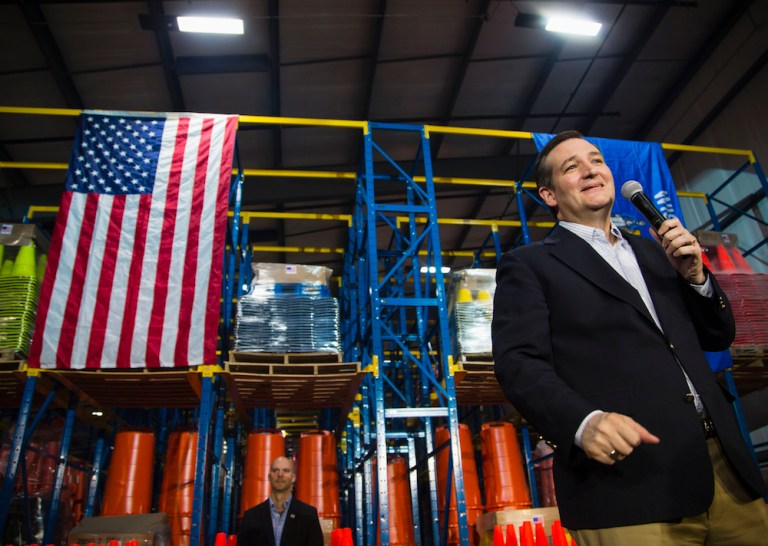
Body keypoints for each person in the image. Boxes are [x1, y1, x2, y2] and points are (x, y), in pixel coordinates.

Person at [491, 130, 768, 545]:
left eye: (596, 161)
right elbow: (518, 364)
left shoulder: (657, 252)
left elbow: (717, 337)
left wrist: (696, 279)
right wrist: (583, 424)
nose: (590, 170)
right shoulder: (530, 266)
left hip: (725, 470)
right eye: (572, 167)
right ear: (549, 196)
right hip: (629, 484)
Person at [237, 456, 324, 546]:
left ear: (293, 478)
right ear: (269, 477)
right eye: (275, 470)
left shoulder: (308, 515)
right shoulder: (251, 517)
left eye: (286, 471)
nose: (280, 475)